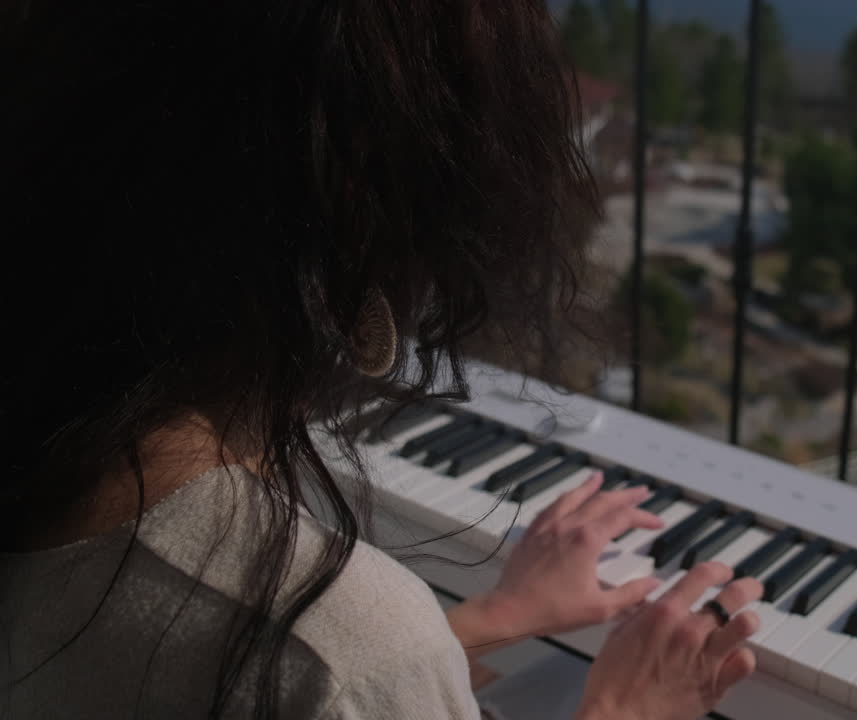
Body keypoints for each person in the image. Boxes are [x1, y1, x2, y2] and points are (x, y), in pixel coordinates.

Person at [0, 1, 763, 719]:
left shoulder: (57, 461)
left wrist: (497, 616)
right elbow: (343, 679)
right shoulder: (349, 645)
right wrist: (621, 708)